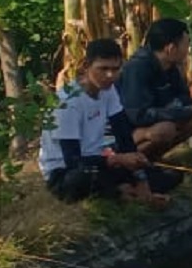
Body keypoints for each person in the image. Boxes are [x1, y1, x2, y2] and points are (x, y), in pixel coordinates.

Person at [37, 39, 169, 204]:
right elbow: (73, 160)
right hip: (66, 171)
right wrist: (117, 159)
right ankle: (119, 194)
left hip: (99, 161)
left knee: (166, 179)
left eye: (115, 69)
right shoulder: (68, 103)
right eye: (103, 69)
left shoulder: (108, 90)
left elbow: (123, 135)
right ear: (86, 66)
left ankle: (128, 192)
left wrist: (140, 176)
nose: (110, 76)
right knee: (83, 177)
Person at [119, 18, 192, 159]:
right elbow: (138, 115)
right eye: (186, 45)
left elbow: (184, 96)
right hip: (133, 127)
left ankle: (169, 156)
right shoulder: (137, 69)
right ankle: (132, 162)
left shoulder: (171, 67)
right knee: (165, 130)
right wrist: (189, 110)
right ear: (171, 49)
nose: (188, 50)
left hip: (163, 116)